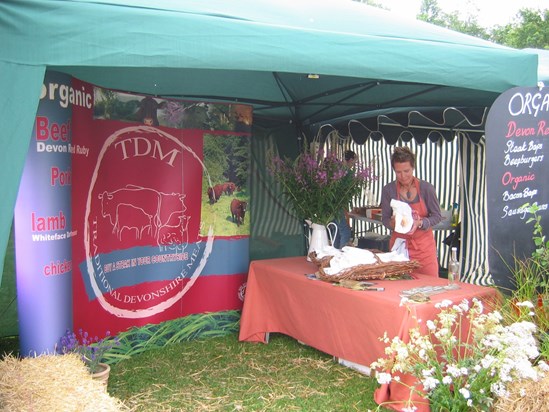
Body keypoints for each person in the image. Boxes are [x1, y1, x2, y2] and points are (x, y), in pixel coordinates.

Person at [381, 146, 443, 277]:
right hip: (399, 251)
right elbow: (385, 219)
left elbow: (437, 216)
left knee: (430, 287)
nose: (403, 176)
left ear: (413, 167)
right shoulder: (388, 190)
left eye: (406, 171)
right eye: (398, 172)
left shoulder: (426, 188)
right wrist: (392, 224)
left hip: (424, 250)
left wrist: (420, 222)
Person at [332, 150, 356, 249]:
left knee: (336, 230)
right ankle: (343, 254)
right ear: (350, 160)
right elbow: (348, 191)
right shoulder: (348, 173)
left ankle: (334, 253)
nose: (354, 164)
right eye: (354, 162)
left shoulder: (336, 170)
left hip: (332, 204)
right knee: (345, 230)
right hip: (340, 204)